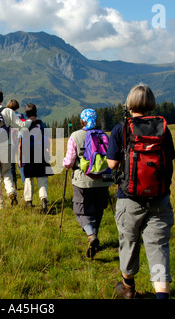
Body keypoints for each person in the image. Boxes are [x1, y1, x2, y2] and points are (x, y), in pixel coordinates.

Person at [106, 84, 175, 299]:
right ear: (151, 104)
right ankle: (161, 294)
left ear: (129, 103)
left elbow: (111, 164)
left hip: (130, 197)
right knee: (158, 247)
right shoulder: (163, 129)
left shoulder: (122, 129)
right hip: (159, 197)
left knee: (128, 240)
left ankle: (128, 288)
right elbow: (169, 161)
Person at [63, 108, 112, 258]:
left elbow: (70, 161)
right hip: (103, 180)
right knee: (98, 209)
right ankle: (95, 235)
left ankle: (91, 235)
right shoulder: (103, 135)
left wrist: (65, 165)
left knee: (81, 209)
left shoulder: (75, 136)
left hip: (82, 181)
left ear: (82, 121)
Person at [19, 103, 52, 213]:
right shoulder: (41, 124)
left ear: (26, 113)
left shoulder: (24, 126)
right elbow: (47, 139)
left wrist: (20, 158)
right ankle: (43, 200)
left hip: (28, 155)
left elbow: (20, 142)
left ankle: (28, 201)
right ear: (36, 112)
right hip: (41, 154)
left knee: (28, 179)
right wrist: (47, 150)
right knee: (42, 179)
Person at [7, 99, 26, 190]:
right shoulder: (21, 116)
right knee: (21, 163)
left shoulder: (7, 116)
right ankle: (25, 182)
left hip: (10, 141)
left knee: (11, 165)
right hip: (20, 140)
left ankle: (14, 184)